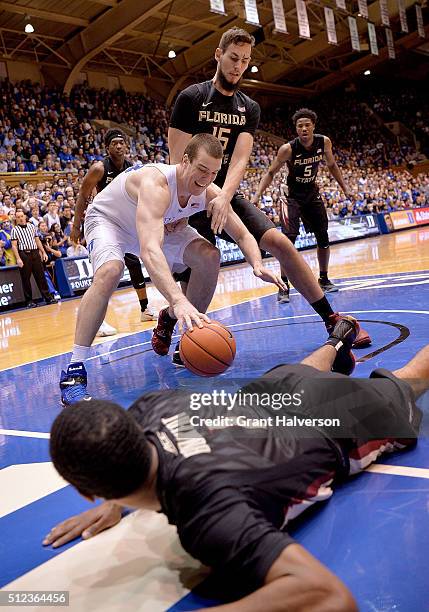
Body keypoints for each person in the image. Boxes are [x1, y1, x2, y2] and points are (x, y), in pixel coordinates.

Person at [45, 316, 426, 611]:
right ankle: (336, 339)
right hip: (276, 390)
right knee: (302, 375)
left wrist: (111, 495)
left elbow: (329, 596)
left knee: (410, 381)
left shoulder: (208, 517)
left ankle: (339, 344)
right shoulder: (151, 407)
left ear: (86, 492)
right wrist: (115, 502)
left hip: (332, 424)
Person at [168, 27, 371, 344]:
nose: (239, 66)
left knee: (281, 243)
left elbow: (239, 159)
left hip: (227, 194)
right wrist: (192, 201)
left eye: (245, 61)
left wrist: (224, 198)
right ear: (219, 55)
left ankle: (332, 320)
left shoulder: (249, 107)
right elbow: (177, 159)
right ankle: (183, 335)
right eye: (233, 58)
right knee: (200, 269)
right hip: (190, 194)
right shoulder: (191, 98)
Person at [59, 134, 284, 406]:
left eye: (213, 173)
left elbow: (242, 234)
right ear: (185, 161)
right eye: (201, 170)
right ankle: (74, 372)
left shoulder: (209, 191)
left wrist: (257, 264)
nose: (206, 179)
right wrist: (178, 299)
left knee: (209, 256)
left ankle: (176, 326)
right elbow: (149, 250)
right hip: (110, 222)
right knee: (110, 271)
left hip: (158, 225)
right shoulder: (158, 184)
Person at [252, 108, 354, 297]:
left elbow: (331, 165)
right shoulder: (288, 149)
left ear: (313, 126)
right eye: (300, 126)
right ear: (296, 129)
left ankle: (323, 278)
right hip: (290, 195)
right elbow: (271, 172)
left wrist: (345, 188)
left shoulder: (324, 142)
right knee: (287, 241)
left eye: (307, 125)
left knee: (323, 237)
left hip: (311, 192)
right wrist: (257, 195)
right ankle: (284, 285)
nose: (304, 128)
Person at [71, 128, 157, 329]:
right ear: (107, 147)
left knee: (135, 263)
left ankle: (145, 309)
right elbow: (83, 195)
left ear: (127, 146)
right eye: (114, 143)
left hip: (125, 222)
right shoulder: (99, 168)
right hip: (104, 223)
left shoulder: (132, 169)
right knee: (105, 271)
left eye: (121, 143)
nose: (118, 146)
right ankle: (96, 321)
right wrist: (76, 226)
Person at [10, 210, 55, 307]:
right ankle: (29, 301)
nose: (21, 218)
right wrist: (18, 259)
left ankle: (48, 297)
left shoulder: (32, 226)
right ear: (16, 219)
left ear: (25, 216)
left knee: (41, 276)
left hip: (35, 252)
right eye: (18, 217)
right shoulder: (15, 230)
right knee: (26, 279)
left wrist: (43, 252)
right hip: (24, 254)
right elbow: (14, 246)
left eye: (22, 216)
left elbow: (37, 240)